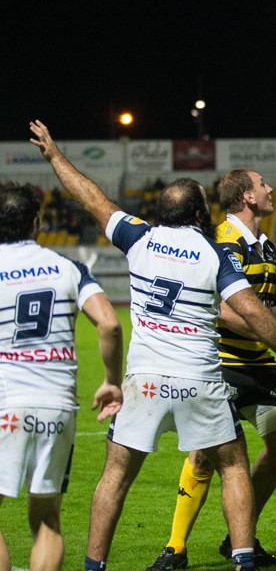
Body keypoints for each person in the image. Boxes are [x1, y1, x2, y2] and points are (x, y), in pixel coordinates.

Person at [28, 121, 276, 571]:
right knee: (234, 466)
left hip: (143, 381)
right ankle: (242, 561)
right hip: (200, 378)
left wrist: (54, 156)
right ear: (201, 215)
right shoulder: (213, 252)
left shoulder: (139, 236)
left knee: (114, 476)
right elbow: (253, 312)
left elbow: (91, 198)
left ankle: (94, 567)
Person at [146, 170, 276, 570]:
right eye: (263, 184)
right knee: (204, 455)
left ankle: (240, 535)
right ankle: (175, 548)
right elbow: (221, 307)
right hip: (222, 362)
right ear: (248, 197)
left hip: (259, 361)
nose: (270, 189)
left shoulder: (264, 245)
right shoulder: (222, 240)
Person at [0, 185, 123, 571]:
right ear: (36, 223)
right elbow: (109, 324)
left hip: (6, 401)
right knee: (46, 519)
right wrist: (111, 381)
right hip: (58, 405)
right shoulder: (67, 267)